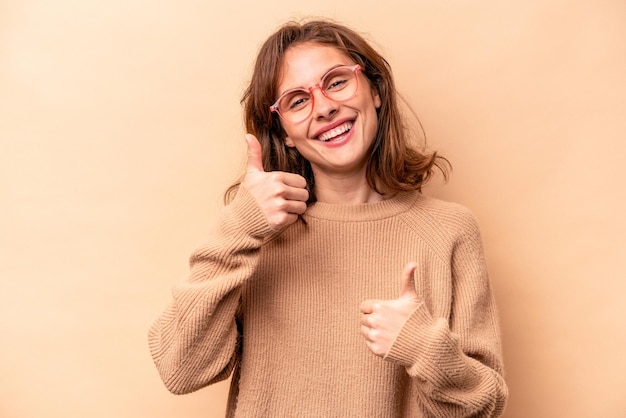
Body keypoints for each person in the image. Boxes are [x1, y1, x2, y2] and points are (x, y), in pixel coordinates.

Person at [148, 19, 508, 417]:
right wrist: (239, 228)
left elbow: (483, 407)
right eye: (297, 101)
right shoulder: (255, 235)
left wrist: (425, 347)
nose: (324, 108)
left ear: (375, 90)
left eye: (336, 82)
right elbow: (180, 370)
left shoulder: (449, 230)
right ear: (283, 132)